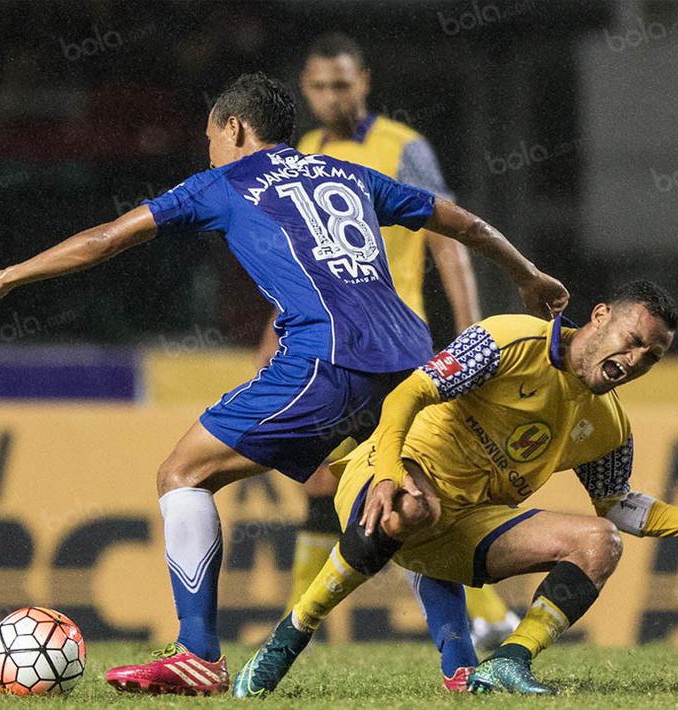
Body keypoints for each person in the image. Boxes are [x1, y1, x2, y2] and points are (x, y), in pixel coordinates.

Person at [0, 72, 568, 696]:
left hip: (328, 361)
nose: (208, 148)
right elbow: (459, 221)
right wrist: (529, 275)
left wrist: (6, 276)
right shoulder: (348, 174)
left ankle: (197, 653)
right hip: (412, 362)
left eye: (211, 135)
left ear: (233, 128)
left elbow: (107, 240)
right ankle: (460, 668)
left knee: (184, 473)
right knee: (405, 502)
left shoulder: (225, 181)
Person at [233, 281, 678, 696]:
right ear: (600, 317)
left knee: (600, 542)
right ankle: (293, 632)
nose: (637, 359)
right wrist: (385, 470)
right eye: (634, 340)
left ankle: (510, 661)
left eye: (653, 356)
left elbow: (619, 508)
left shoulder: (609, 427)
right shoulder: (511, 338)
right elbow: (409, 394)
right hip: (389, 475)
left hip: (466, 523)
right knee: (416, 507)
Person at [262, 33, 513, 686]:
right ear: (306, 88)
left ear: (364, 82)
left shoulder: (403, 147)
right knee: (319, 481)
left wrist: (470, 334)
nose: (330, 96)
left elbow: (446, 238)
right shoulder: (303, 153)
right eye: (318, 85)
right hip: (323, 345)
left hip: (393, 345)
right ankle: (303, 622)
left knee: (403, 483)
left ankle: (484, 614)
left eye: (342, 84)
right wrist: (272, 339)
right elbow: (299, 261)